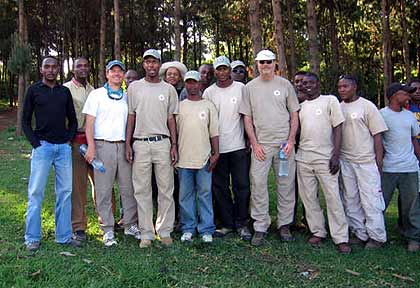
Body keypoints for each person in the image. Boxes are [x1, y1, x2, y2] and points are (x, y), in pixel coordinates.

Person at [239, 49, 300, 246]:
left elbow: (294, 115)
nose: (265, 65)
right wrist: (254, 143)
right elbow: (247, 118)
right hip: (261, 146)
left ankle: (284, 224)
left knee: (286, 184)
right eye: (261, 62)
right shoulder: (249, 88)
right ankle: (260, 225)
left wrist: (291, 141)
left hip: (284, 146)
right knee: (258, 184)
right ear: (256, 64)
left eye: (269, 62)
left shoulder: (285, 85)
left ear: (275, 64)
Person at [22, 56, 80, 252]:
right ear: (41, 69)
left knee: (65, 193)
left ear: (59, 70)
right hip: (43, 148)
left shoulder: (64, 92)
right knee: (36, 193)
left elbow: (72, 120)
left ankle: (63, 237)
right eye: (47, 66)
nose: (51, 70)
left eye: (55, 67)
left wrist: (68, 140)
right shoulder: (34, 90)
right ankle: (32, 237)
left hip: (63, 149)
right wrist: (36, 144)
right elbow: (25, 121)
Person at [83, 60, 140, 247]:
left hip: (123, 146)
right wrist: (91, 146)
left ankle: (130, 224)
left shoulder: (127, 96)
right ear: (107, 74)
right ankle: (107, 228)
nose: (116, 74)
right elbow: (89, 123)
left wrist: (129, 145)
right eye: (112, 71)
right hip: (102, 146)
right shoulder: (97, 94)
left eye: (120, 71)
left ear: (123, 75)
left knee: (128, 188)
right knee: (104, 189)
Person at [126, 49, 178, 248]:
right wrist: (128, 142)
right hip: (140, 142)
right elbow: (131, 116)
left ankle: (164, 230)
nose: (151, 66)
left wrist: (174, 145)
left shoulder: (168, 89)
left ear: (159, 64)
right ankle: (146, 233)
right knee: (142, 189)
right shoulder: (134, 88)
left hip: (162, 142)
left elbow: (171, 118)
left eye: (154, 62)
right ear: (143, 64)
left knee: (166, 188)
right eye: (147, 62)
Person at [296, 72, 351, 254]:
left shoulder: (330, 101)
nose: (307, 85)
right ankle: (318, 231)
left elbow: (337, 128)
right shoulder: (300, 107)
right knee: (309, 197)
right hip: (303, 157)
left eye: (311, 82)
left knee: (333, 197)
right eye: (304, 83)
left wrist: (335, 155)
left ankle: (341, 237)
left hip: (325, 158)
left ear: (318, 84)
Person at [203, 56, 251, 241]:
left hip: (238, 146)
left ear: (229, 69)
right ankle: (227, 223)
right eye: (218, 69)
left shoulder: (241, 89)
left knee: (242, 186)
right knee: (220, 187)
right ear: (215, 71)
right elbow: (206, 120)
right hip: (217, 149)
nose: (222, 72)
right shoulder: (209, 92)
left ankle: (242, 223)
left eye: (225, 69)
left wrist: (248, 138)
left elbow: (247, 115)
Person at [338, 75, 387, 248]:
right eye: (340, 87)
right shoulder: (338, 107)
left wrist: (378, 161)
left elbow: (377, 135)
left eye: (345, 86)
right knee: (350, 198)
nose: (342, 90)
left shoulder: (367, 106)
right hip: (346, 160)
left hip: (366, 161)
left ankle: (377, 237)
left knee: (371, 199)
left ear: (354, 87)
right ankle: (360, 233)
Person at [176, 70, 219, 243]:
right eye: (189, 82)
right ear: (185, 84)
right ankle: (188, 227)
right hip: (184, 158)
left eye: (195, 82)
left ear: (200, 84)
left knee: (205, 194)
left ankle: (206, 229)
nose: (192, 86)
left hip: (203, 158)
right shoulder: (179, 106)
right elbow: (175, 132)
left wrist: (216, 153)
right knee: (185, 195)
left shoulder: (208, 105)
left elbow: (214, 132)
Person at [380, 82, 420, 252]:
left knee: (411, 205)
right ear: (395, 95)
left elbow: (414, 139)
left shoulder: (410, 116)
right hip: (388, 167)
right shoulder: (381, 115)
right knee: (380, 203)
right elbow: (377, 141)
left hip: (409, 167)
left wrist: (419, 160)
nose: (409, 96)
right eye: (406, 93)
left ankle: (413, 238)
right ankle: (376, 234)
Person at [63, 57, 95, 242]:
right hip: (76, 142)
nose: (82, 68)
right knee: (78, 185)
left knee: (101, 183)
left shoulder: (94, 90)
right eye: (79, 66)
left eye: (85, 65)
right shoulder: (66, 89)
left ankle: (106, 221)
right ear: (73, 69)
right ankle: (78, 226)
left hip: (95, 142)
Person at [408, 78, 420, 193]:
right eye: (414, 89)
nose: (417, 91)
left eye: (419, 89)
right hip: (411, 154)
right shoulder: (405, 109)